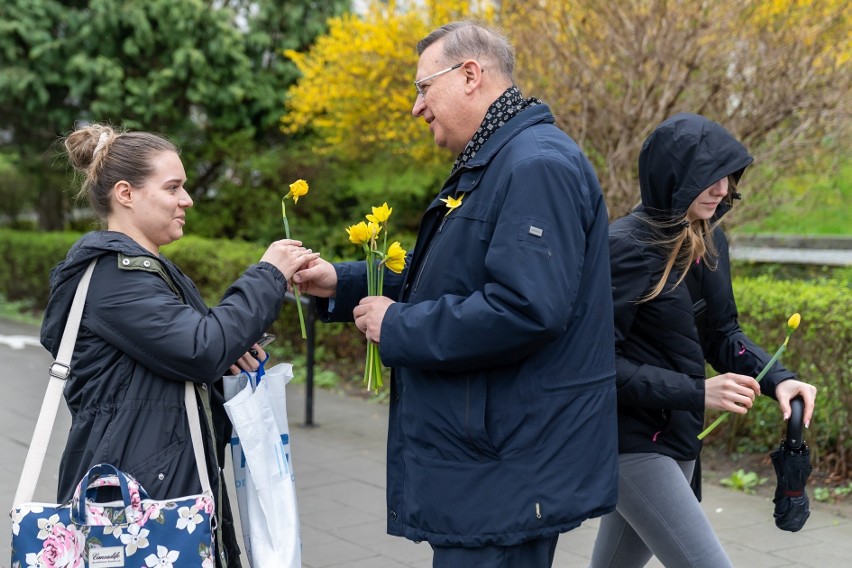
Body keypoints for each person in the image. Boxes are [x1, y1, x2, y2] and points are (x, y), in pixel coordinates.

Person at [294, 20, 618, 567]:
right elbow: (458, 281)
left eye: (423, 87)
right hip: (493, 459)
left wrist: (397, 326)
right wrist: (344, 283)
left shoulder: (534, 165)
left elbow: (525, 309)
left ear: (471, 75)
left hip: (506, 465)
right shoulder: (498, 160)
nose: (415, 108)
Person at [40, 124, 319, 568]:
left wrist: (229, 360)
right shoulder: (114, 277)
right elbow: (200, 347)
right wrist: (268, 273)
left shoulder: (145, 272)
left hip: (161, 490)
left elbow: (191, 357)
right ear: (126, 194)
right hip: (137, 506)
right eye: (173, 187)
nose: (187, 199)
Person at [589, 113, 818, 568]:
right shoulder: (624, 248)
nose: (723, 189)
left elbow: (722, 335)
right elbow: (595, 366)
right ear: (674, 178)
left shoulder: (708, 238)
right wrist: (697, 391)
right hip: (627, 444)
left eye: (728, 177)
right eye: (709, 178)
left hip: (679, 436)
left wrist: (779, 381)